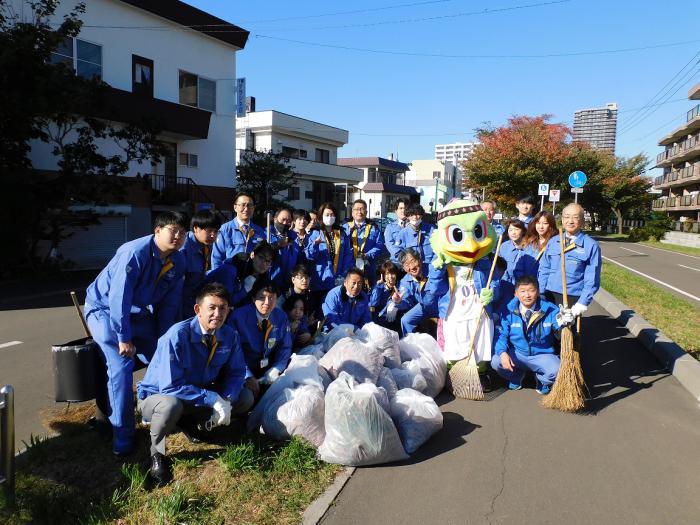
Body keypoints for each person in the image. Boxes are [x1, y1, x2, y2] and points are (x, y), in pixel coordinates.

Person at [84, 211, 188, 455]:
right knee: (120, 366)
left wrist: (163, 340)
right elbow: (119, 297)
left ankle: (154, 412)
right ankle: (123, 438)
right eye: (173, 230)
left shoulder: (178, 261)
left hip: (138, 312)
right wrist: (124, 338)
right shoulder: (134, 253)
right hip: (105, 310)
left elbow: (170, 304)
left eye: (183, 233)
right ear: (158, 231)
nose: (178, 236)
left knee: (163, 358)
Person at [136, 283, 252, 485]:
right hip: (159, 398)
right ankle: (157, 453)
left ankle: (193, 425)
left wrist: (225, 399)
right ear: (198, 310)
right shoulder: (177, 336)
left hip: (196, 394)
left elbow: (236, 372)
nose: (218, 314)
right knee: (170, 405)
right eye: (212, 308)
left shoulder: (229, 335)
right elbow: (170, 387)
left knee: (244, 397)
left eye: (223, 308)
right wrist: (212, 398)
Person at [490, 276, 574, 394]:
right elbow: (501, 335)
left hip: (543, 355)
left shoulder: (550, 309)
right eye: (523, 291)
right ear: (516, 293)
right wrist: (502, 353)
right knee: (496, 361)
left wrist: (566, 321)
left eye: (531, 290)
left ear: (538, 292)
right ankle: (517, 376)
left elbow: (559, 326)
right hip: (518, 354)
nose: (527, 295)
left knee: (558, 370)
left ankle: (542, 380)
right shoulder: (507, 310)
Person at [231, 280, 292, 405]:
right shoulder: (238, 317)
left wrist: (277, 368)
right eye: (262, 297)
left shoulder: (281, 317)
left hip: (267, 368)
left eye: (271, 298)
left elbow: (285, 347)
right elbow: (234, 352)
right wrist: (247, 376)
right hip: (242, 368)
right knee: (247, 398)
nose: (267, 302)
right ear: (253, 298)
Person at [538, 203, 601, 318]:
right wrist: (540, 292)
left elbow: (592, 278)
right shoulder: (554, 241)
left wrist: (582, 303)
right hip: (549, 295)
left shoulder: (590, 245)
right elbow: (544, 268)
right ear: (562, 219)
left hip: (572, 296)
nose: (570, 221)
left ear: (582, 221)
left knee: (568, 333)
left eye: (575, 217)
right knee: (547, 333)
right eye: (566, 217)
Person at [305, 201, 353, 302]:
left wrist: (344, 274)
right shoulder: (315, 232)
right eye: (327, 215)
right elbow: (309, 256)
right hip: (320, 280)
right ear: (321, 216)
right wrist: (315, 245)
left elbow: (347, 255)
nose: (330, 217)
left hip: (338, 279)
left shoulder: (341, 233)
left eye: (332, 215)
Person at [204, 241, 275, 308]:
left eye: (268, 261)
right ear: (252, 255)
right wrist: (244, 290)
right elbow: (225, 301)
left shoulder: (261, 277)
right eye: (261, 257)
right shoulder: (231, 269)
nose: (264, 263)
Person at [180, 210, 221, 319]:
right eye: (209, 230)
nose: (213, 235)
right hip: (179, 307)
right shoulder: (183, 249)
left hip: (194, 303)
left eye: (216, 231)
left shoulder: (206, 245)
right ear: (196, 229)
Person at [211, 193, 265, 270]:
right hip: (229, 276)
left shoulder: (259, 231)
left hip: (252, 278)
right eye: (243, 205)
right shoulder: (224, 230)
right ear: (235, 207)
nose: (246, 209)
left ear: (254, 208)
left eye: (250, 205)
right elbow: (217, 258)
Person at [343, 199, 385, 285]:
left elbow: (380, 245)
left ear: (366, 212)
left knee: (369, 292)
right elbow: (340, 246)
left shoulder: (373, 227)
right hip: (349, 267)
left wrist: (367, 255)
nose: (359, 211)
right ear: (352, 212)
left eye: (362, 209)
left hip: (368, 267)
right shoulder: (344, 227)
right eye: (357, 209)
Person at [498, 219, 538, 307]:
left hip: (525, 286)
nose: (513, 233)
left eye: (517, 229)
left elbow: (533, 271)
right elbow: (501, 268)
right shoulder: (504, 246)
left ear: (523, 231)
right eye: (510, 230)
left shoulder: (531, 247)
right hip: (507, 285)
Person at [396, 248, 435, 336]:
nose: (412, 267)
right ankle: (412, 346)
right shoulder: (405, 281)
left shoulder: (432, 269)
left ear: (420, 260)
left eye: (413, 261)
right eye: (407, 264)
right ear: (404, 268)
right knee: (406, 320)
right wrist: (398, 302)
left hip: (440, 304)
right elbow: (407, 302)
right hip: (424, 307)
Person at [397, 203, 435, 273]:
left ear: (421, 215)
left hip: (431, 269)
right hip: (413, 271)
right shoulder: (403, 233)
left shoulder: (431, 229)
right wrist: (408, 266)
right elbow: (400, 254)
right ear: (407, 217)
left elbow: (438, 249)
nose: (415, 217)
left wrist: (434, 265)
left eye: (417, 214)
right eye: (411, 215)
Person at [266, 206, 295, 289]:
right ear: (275, 219)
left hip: (289, 283)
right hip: (271, 282)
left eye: (288, 221)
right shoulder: (266, 234)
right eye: (283, 219)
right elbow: (263, 252)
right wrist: (278, 245)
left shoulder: (294, 237)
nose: (285, 223)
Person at [369, 261, 402, 329]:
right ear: (383, 276)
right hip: (380, 319)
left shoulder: (401, 286)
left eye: (392, 273)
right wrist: (377, 287)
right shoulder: (380, 287)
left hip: (396, 319)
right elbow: (373, 304)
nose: (390, 277)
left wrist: (395, 305)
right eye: (387, 274)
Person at [383, 197, 410, 263]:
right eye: (401, 208)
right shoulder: (390, 227)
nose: (403, 210)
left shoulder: (413, 226)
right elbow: (390, 245)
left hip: (412, 263)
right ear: (396, 210)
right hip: (396, 263)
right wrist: (405, 258)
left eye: (405, 208)